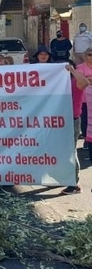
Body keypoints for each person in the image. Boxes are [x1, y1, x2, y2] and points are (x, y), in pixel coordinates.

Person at [61, 62, 88, 195]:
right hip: (58, 122)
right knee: (62, 152)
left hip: (72, 120)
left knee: (70, 151)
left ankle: (74, 185)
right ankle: (65, 179)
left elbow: (84, 82)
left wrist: (72, 69)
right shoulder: (57, 85)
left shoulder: (74, 83)